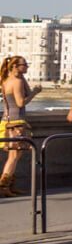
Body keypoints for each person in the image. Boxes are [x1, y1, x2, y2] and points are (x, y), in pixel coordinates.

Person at [1, 56, 41, 198]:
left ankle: (10, 185)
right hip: (16, 122)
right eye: (24, 65)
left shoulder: (8, 79)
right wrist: (35, 93)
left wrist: (25, 81)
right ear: (15, 66)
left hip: (8, 120)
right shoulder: (16, 82)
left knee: (15, 155)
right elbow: (20, 103)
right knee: (14, 156)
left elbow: (26, 93)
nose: (27, 67)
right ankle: (3, 186)